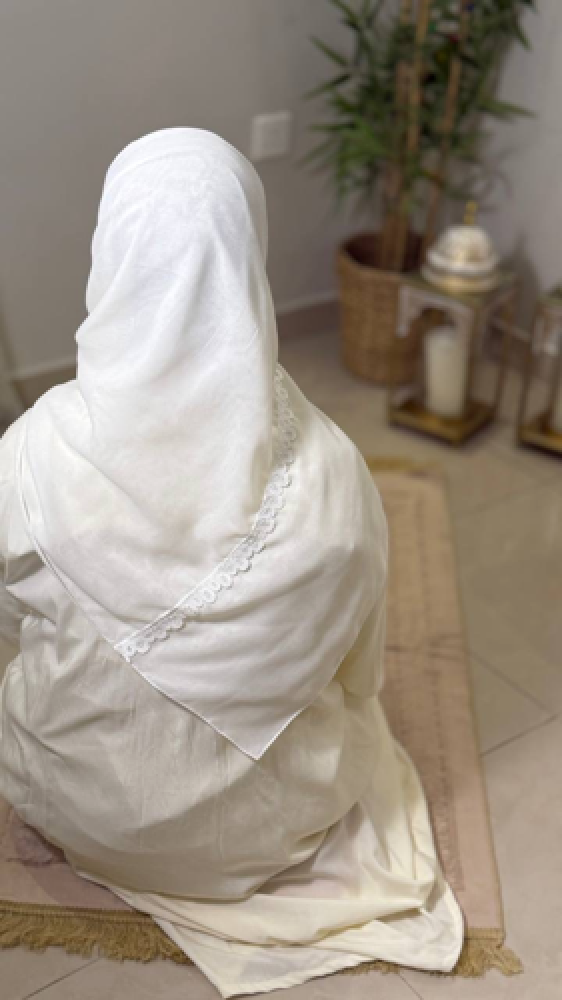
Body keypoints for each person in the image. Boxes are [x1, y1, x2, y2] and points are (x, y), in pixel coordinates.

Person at [0, 129, 463, 996]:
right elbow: (360, 673)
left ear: (111, 253)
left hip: (80, 815)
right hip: (272, 833)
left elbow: (12, 624)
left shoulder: (26, 458)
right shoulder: (334, 475)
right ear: (248, 254)